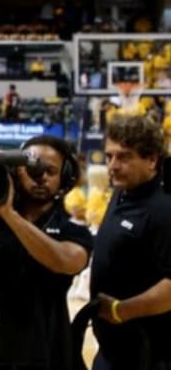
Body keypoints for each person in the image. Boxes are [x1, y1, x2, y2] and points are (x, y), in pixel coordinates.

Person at [0, 135, 93, 369]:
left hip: (50, 354)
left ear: (65, 176)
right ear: (17, 173)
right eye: (33, 170)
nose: (41, 177)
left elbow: (66, 261)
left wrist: (9, 214)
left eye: (50, 171)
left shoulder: (72, 230)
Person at [91, 115, 171, 369]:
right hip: (112, 351)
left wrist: (120, 310)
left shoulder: (165, 208)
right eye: (109, 156)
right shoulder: (122, 192)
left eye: (124, 157)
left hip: (148, 356)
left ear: (152, 160)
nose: (113, 166)